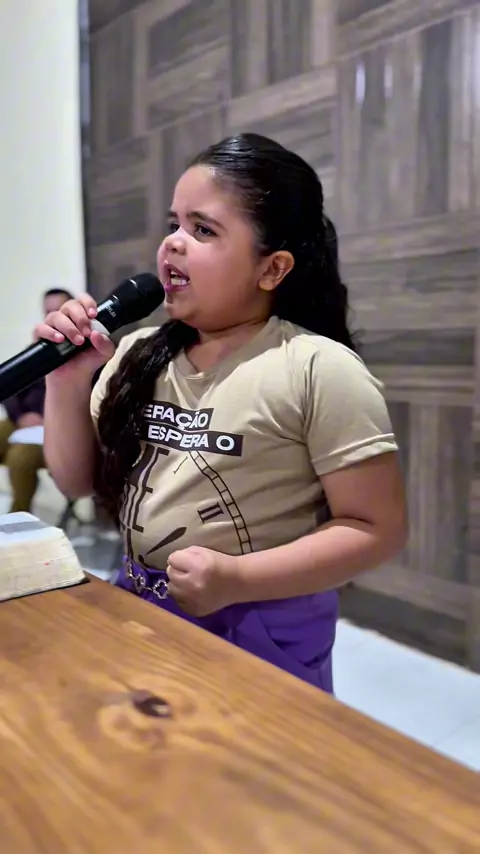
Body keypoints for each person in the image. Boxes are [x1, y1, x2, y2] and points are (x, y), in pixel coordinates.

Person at [37, 134, 407, 693]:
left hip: (259, 629)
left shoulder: (318, 368)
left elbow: (376, 529)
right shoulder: (136, 354)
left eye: (203, 230)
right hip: (137, 604)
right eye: (174, 223)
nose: (173, 243)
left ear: (272, 269)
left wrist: (236, 578)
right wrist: (65, 382)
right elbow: (76, 482)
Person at [0, 288, 73, 512]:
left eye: (59, 310)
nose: (53, 317)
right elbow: (10, 389)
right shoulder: (37, 349)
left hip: (58, 428)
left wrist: (46, 420)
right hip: (23, 421)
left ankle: (17, 516)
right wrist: (21, 417)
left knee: (20, 458)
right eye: (48, 312)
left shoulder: (89, 352)